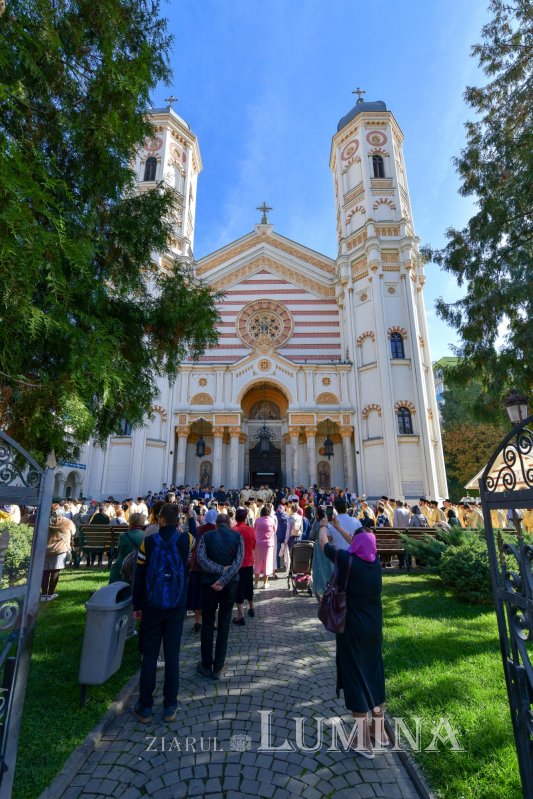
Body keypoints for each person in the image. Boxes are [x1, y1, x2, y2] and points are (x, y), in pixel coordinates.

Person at [318, 515, 386, 759]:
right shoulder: (374, 562)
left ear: (355, 547)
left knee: (355, 676)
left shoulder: (348, 562)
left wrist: (324, 526)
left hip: (352, 629)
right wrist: (340, 528)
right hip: (374, 628)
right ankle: (380, 730)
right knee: (375, 672)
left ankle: (364, 742)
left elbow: (324, 544)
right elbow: (358, 541)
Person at [132, 503, 191, 723]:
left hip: (151, 605)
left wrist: (137, 606)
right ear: (178, 522)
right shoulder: (187, 539)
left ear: (159, 520)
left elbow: (140, 576)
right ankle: (170, 705)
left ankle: (145, 706)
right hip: (176, 606)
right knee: (172, 655)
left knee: (150, 655)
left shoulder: (148, 542)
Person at [196, 513, 244, 679]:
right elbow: (238, 562)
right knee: (224, 624)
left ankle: (206, 664)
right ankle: (218, 666)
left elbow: (200, 558)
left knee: (208, 622)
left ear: (216, 524)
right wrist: (224, 577)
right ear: (229, 524)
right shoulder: (238, 536)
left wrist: (219, 574)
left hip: (209, 583)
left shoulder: (206, 536)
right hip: (230, 585)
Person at [187, 507, 218, 633]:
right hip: (211, 568)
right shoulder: (217, 531)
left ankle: (198, 621)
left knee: (197, 595)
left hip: (196, 566)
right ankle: (212, 621)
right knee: (212, 596)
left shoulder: (199, 529)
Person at [41, 508, 75, 601]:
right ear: (63, 514)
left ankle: (43, 594)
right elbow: (74, 532)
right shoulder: (68, 522)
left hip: (46, 549)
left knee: (45, 572)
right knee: (55, 571)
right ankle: (51, 593)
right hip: (60, 549)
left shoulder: (46, 521)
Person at [233, 507, 256, 625]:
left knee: (239, 588)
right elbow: (254, 545)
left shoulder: (234, 530)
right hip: (248, 561)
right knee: (248, 585)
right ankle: (252, 607)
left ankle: (241, 615)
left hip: (237, 563)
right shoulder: (251, 530)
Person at [109, 512, 146, 583]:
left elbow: (119, 551)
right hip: (138, 565)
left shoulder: (123, 536)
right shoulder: (145, 535)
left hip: (121, 565)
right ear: (142, 522)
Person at [308, 506, 333, 600]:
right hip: (329, 545)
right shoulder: (329, 522)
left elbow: (312, 535)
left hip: (319, 546)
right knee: (329, 567)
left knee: (319, 568)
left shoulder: (317, 522)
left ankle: (320, 590)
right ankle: (330, 588)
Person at [254, 505, 277, 589]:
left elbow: (254, 530)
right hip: (268, 544)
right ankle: (265, 583)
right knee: (267, 563)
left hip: (258, 544)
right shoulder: (271, 521)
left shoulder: (257, 520)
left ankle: (256, 583)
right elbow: (274, 531)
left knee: (257, 563)